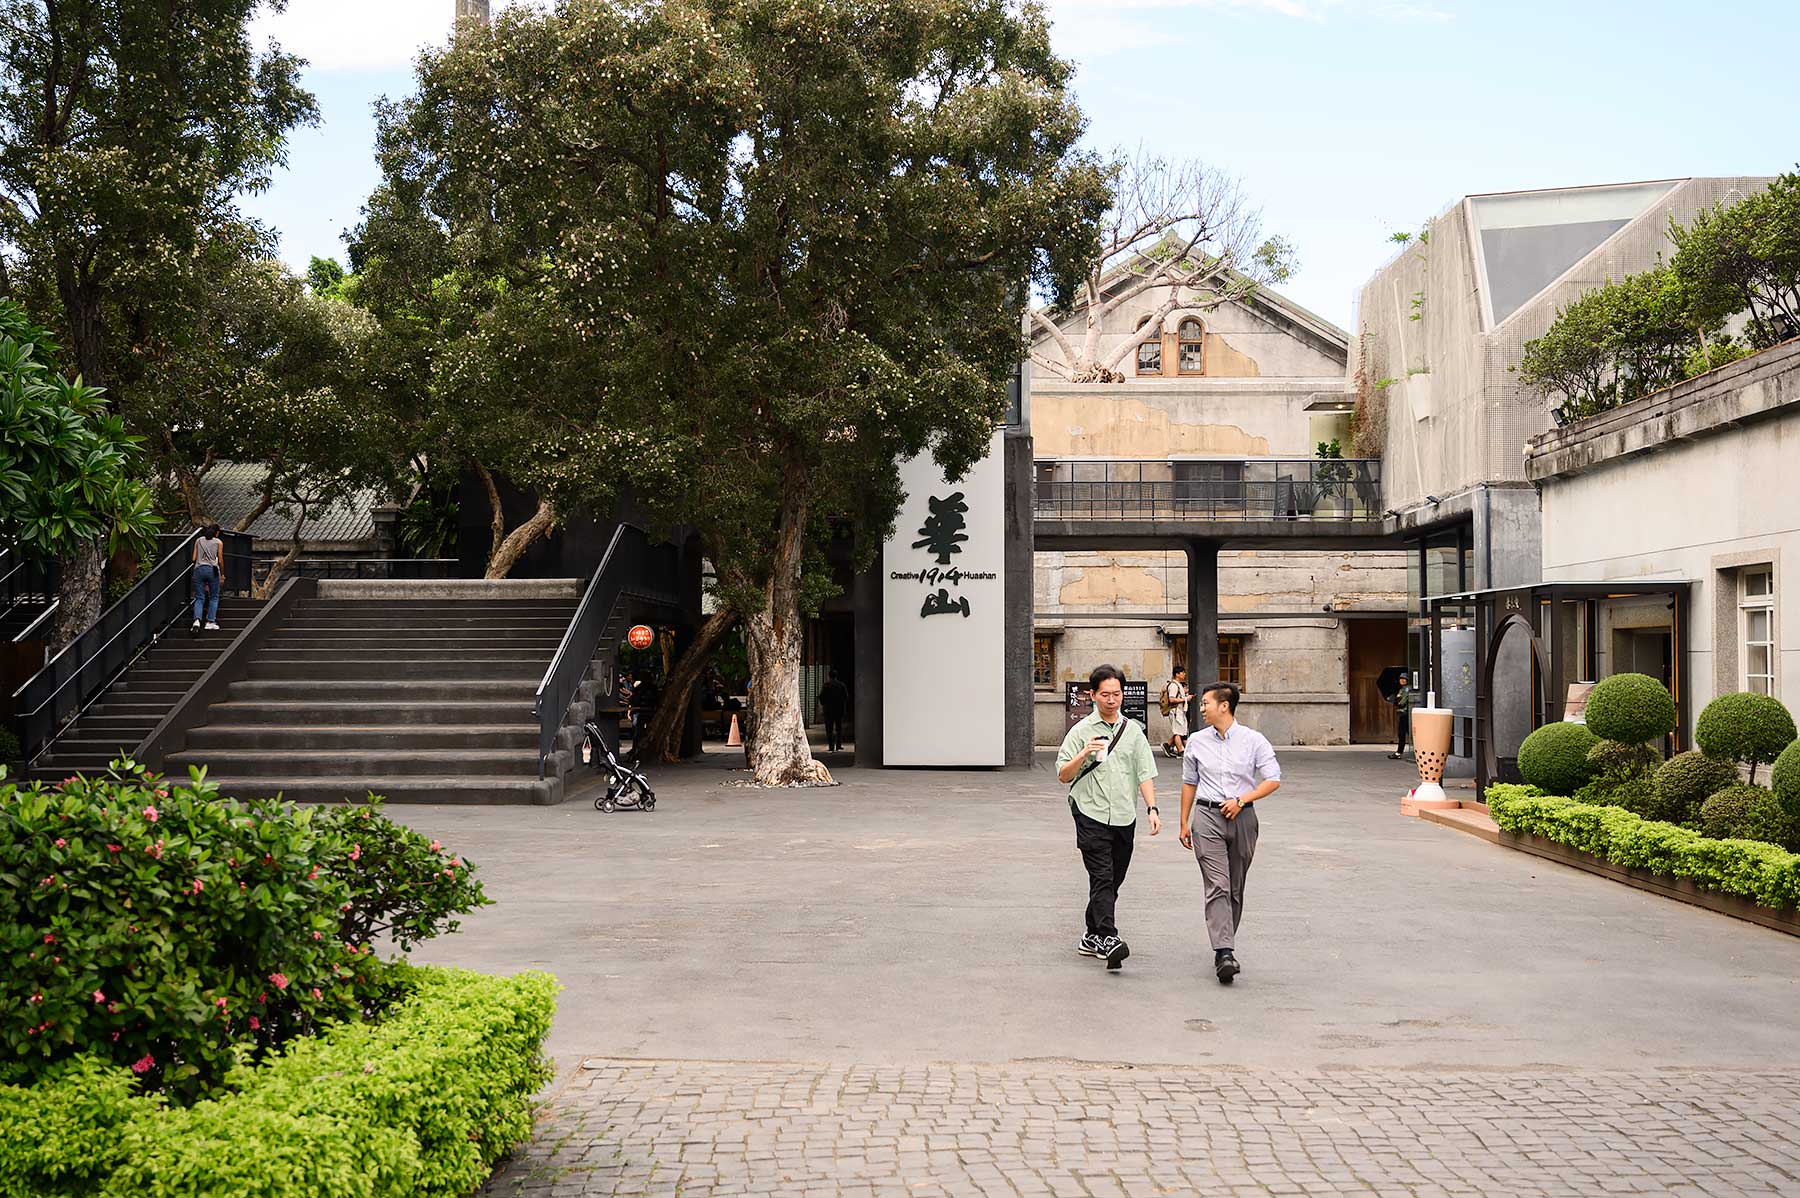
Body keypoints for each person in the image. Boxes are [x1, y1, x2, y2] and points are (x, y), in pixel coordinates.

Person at [1056, 664, 1160, 971]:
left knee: (1114, 878)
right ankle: (1109, 937)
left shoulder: (1133, 731)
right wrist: (1083, 754)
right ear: (1092, 695)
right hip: (1090, 812)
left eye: (1116, 694)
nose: (1112, 700)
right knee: (1101, 875)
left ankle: (1091, 935)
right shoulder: (1080, 732)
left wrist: (1152, 808)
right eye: (1105, 694)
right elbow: (1063, 775)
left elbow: (1144, 772)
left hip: (1125, 815)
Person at [1179, 681, 1281, 985]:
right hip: (1207, 816)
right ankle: (1224, 951)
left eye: (1206, 703)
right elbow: (1189, 782)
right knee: (1218, 884)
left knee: (1235, 886)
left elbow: (1273, 779)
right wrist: (1184, 822)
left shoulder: (1253, 740)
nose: (1201, 708)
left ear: (1224, 706)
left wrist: (1242, 800)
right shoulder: (1196, 741)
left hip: (1243, 817)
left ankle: (1225, 941)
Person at [190, 524, 224, 633]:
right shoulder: (218, 542)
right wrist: (222, 574)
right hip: (212, 570)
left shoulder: (199, 540)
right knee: (214, 597)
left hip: (198, 569)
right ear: (217, 532)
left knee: (199, 597)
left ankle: (196, 621)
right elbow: (220, 560)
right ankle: (210, 622)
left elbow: (194, 558)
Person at [1161, 666, 1192, 759]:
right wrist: (1185, 699)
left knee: (1181, 731)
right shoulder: (1174, 685)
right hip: (1175, 711)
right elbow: (1172, 699)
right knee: (1177, 732)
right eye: (1182, 672)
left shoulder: (1178, 685)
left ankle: (1167, 745)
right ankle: (1180, 751)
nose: (1184, 674)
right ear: (1177, 674)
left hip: (1180, 711)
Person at [818, 670, 850, 752]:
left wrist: (824, 705)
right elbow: (846, 697)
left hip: (828, 710)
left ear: (829, 676)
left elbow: (821, 697)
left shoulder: (826, 685)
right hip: (839, 710)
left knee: (829, 729)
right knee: (839, 729)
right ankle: (838, 745)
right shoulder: (841, 685)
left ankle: (831, 746)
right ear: (836, 676)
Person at [1387, 671, 1412, 760]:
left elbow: (1402, 702)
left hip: (1405, 713)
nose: (1402, 680)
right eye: (1401, 679)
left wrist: (1396, 700)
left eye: (1404, 679)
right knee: (1403, 733)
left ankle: (1399, 752)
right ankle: (1399, 752)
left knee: (1402, 733)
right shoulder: (1402, 689)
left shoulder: (1407, 689)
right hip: (1402, 713)